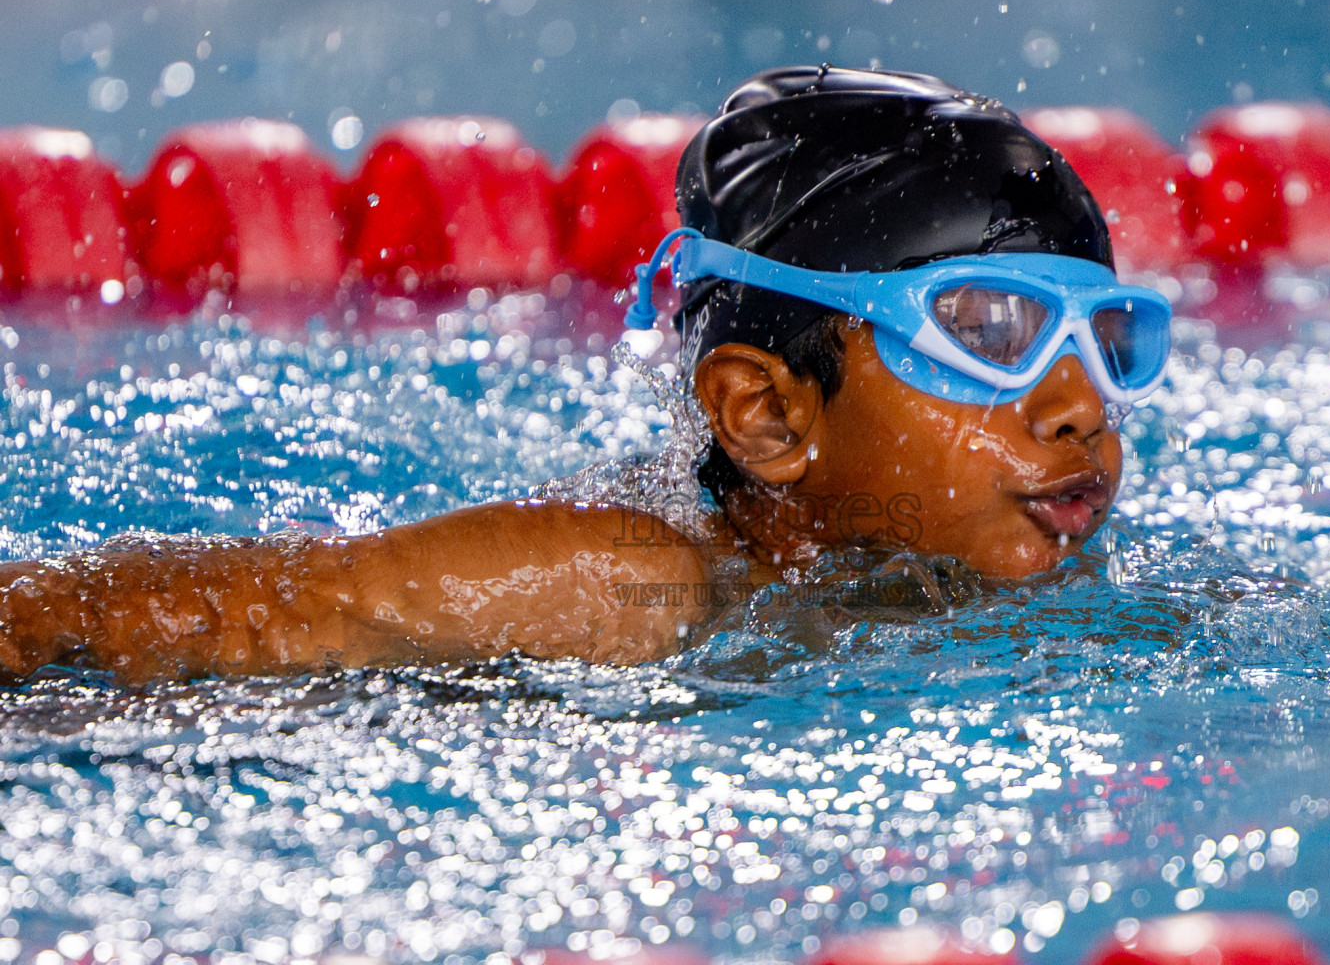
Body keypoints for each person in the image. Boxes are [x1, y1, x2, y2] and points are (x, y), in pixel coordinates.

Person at [0, 66, 1170, 684]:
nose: (1079, 406)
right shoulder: (617, 574)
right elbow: (230, 612)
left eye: (1107, 337)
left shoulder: (971, 576)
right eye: (991, 331)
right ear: (765, 413)